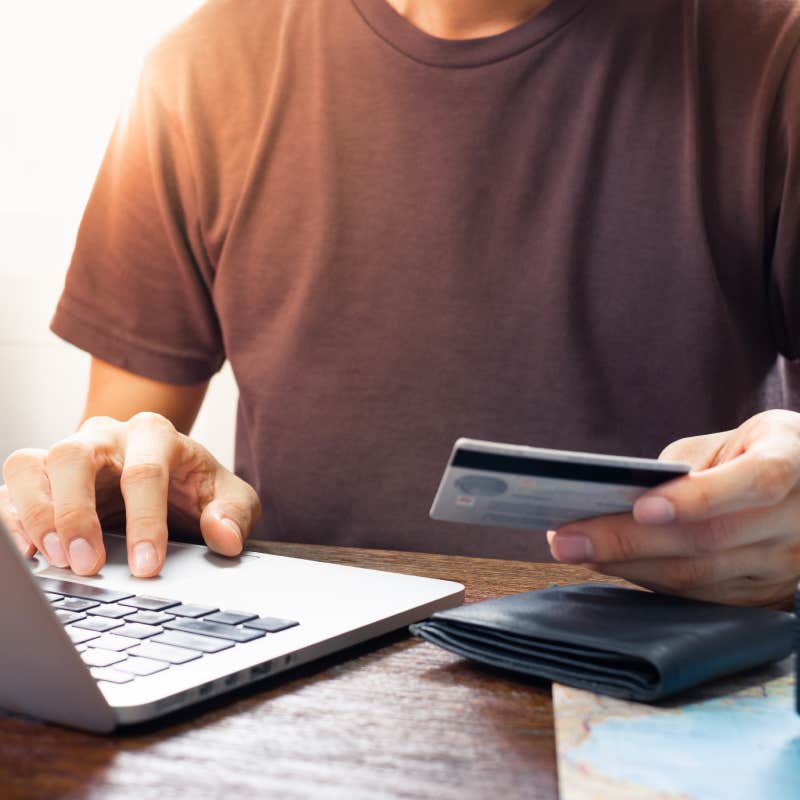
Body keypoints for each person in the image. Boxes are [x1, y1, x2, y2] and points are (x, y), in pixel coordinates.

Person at [2, 0, 799, 607]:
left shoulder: (772, 50)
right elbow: (121, 473)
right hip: (307, 701)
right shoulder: (197, 71)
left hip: (659, 695)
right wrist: (135, 486)